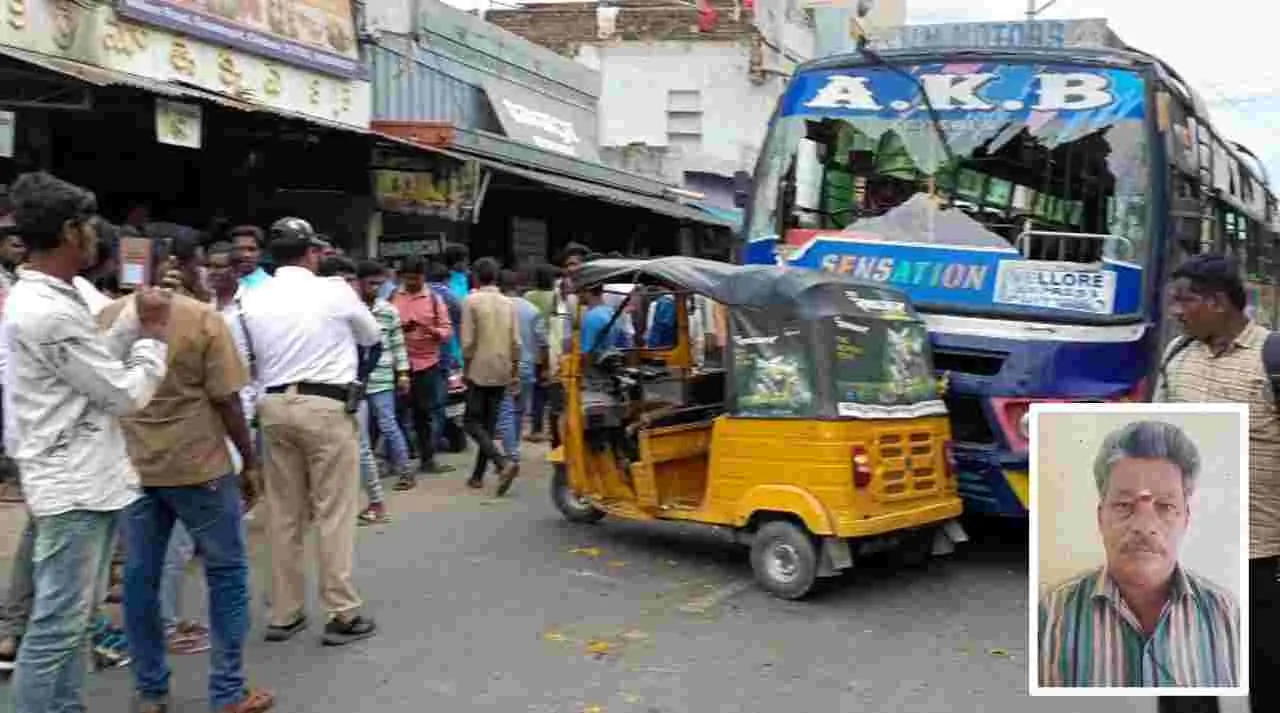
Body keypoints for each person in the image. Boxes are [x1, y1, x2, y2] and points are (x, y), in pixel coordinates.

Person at [3, 172, 171, 713]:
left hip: (84, 479)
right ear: (72, 231)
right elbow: (124, 394)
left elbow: (90, 361)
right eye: (90, 226)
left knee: (74, 625)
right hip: (72, 484)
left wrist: (131, 324)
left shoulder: (55, 297)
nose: (99, 237)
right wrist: (154, 338)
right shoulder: (46, 309)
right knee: (58, 627)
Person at [101, 232, 272, 713]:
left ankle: (151, 692)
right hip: (200, 467)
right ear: (183, 266)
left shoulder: (110, 317)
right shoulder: (203, 319)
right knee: (227, 572)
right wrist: (250, 462)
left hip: (134, 468)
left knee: (140, 578)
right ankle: (227, 692)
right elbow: (228, 399)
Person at [238, 217, 381, 646]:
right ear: (311, 253)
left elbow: (248, 355)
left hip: (274, 406)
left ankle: (285, 613)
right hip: (325, 407)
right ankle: (342, 611)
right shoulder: (334, 290)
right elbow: (370, 334)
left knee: (283, 514)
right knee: (334, 512)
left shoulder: (252, 296)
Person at [1155, 254, 1280, 713]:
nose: (1176, 311)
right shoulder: (1177, 357)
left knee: (1269, 679)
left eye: (1184, 301)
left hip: (1264, 556)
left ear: (1220, 302)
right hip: (1189, 554)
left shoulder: (1273, 358)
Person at [1038, 420, 1239, 688]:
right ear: (1101, 517)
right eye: (1123, 505)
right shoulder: (1049, 615)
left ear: (1186, 520)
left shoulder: (1230, 618)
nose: (1144, 527)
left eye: (1166, 506)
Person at [318, 256, 393, 525]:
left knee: (360, 447)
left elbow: (375, 347)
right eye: (342, 279)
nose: (346, 285)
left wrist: (359, 379)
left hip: (350, 390)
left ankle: (376, 502)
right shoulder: (319, 308)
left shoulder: (357, 309)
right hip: (321, 390)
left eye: (350, 279)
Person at [391, 256, 454, 488]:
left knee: (423, 414)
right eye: (407, 279)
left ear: (423, 277)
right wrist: (401, 328)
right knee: (396, 413)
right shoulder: (393, 297)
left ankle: (427, 459)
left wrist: (432, 330)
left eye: (415, 279)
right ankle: (400, 459)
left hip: (426, 364)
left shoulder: (435, 299)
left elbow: (447, 331)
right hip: (399, 365)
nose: (411, 283)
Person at [460, 257, 521, 495]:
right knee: (487, 423)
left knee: (471, 422)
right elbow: (516, 342)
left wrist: (465, 369)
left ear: (475, 276)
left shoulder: (471, 300)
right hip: (503, 366)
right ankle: (477, 476)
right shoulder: (509, 303)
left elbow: (467, 342)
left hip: (478, 366)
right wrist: (514, 371)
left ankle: (501, 462)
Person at [495, 269, 546, 473]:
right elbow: (542, 342)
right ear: (518, 286)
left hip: (503, 365)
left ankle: (511, 455)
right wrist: (545, 367)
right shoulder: (532, 310)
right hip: (526, 367)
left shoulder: (498, 308)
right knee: (519, 411)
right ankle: (513, 448)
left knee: (505, 411)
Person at [545, 243, 589, 449]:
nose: (570, 269)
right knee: (556, 412)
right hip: (557, 362)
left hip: (577, 364)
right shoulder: (557, 292)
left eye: (575, 264)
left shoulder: (586, 296)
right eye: (567, 264)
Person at [522, 264, 555, 443]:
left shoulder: (528, 296)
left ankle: (536, 429)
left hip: (533, 349)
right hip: (552, 349)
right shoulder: (557, 297)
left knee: (537, 392)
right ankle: (554, 430)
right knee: (553, 390)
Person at [230, 225, 270, 289]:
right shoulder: (222, 283)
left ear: (261, 252)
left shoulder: (270, 285)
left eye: (252, 249)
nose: (246, 255)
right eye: (240, 249)